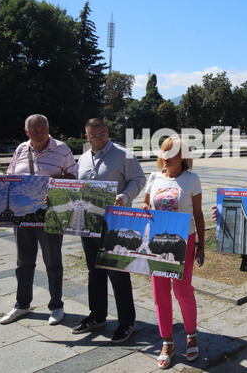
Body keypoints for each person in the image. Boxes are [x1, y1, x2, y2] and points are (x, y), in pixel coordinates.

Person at [72, 118, 145, 343]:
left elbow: (139, 179)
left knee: (118, 272)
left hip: (116, 222)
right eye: (93, 136)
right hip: (90, 223)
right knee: (94, 271)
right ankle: (97, 315)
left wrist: (124, 196)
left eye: (102, 134)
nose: (98, 139)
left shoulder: (124, 155)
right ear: (86, 137)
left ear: (108, 131)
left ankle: (126, 321)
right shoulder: (83, 158)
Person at [0, 114, 77, 326]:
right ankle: (22, 305)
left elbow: (73, 177)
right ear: (27, 132)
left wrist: (50, 182)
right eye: (34, 131)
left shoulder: (62, 149)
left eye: (43, 129)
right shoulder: (21, 149)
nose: (40, 133)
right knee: (24, 262)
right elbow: (10, 176)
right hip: (23, 213)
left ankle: (56, 306)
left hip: (51, 213)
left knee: (53, 262)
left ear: (48, 128)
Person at [141, 137, 206, 369]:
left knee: (182, 291)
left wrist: (201, 244)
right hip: (157, 241)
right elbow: (146, 203)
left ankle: (191, 334)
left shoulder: (191, 180)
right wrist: (146, 207)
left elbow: (198, 214)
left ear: (183, 157)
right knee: (160, 292)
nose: (166, 157)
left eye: (172, 153)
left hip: (183, 241)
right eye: (164, 152)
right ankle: (167, 341)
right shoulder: (154, 176)